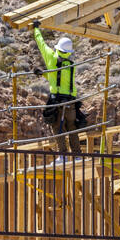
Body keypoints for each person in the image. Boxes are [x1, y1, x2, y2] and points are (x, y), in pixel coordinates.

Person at [32, 21, 83, 155]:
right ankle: (77, 154)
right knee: (72, 128)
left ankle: (63, 154)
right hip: (71, 102)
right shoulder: (71, 65)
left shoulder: (51, 57)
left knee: (57, 127)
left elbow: (41, 43)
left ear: (58, 48)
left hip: (57, 101)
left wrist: (36, 28)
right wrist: (44, 74)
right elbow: (59, 80)